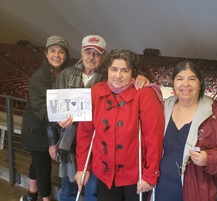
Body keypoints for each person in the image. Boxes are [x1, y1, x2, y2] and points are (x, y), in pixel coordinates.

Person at [47, 37, 151, 201]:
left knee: (93, 191)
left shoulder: (107, 78)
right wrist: (54, 134)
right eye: (88, 52)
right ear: (81, 52)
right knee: (68, 186)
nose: (91, 57)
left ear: (103, 57)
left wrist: (142, 77)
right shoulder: (66, 74)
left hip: (97, 148)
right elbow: (52, 109)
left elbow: (125, 72)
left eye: (97, 53)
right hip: (67, 140)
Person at [74, 49, 165, 201]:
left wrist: (150, 174)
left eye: (124, 70)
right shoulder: (96, 91)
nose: (118, 75)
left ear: (133, 73)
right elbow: (85, 132)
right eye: (114, 69)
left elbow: (153, 138)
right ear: (107, 70)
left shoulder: (144, 94)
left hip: (136, 175)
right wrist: (82, 167)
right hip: (104, 173)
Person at [154, 61, 217, 201]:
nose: (185, 84)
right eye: (180, 78)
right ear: (173, 83)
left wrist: (210, 159)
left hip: (196, 193)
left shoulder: (216, 115)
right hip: (160, 190)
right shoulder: (163, 108)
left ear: (200, 84)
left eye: (192, 79)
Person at [20, 35, 70, 201]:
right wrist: (52, 141)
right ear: (46, 54)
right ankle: (46, 199)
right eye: (53, 51)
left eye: (61, 51)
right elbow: (42, 110)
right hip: (36, 129)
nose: (57, 55)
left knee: (36, 163)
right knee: (43, 168)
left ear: (66, 55)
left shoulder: (65, 74)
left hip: (47, 126)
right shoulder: (38, 78)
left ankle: (31, 195)